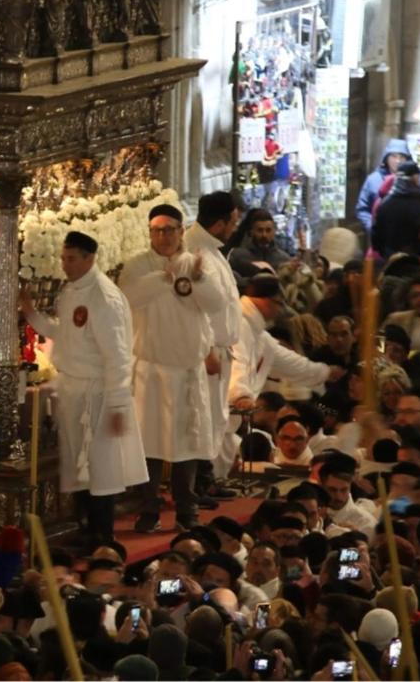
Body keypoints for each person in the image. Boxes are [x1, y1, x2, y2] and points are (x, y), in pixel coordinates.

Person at [20, 230, 148, 543]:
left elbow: (118, 356)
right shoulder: (72, 290)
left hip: (100, 391)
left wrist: (118, 404)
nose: (65, 265)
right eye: (63, 258)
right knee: (80, 465)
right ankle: (84, 528)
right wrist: (31, 313)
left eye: (71, 259)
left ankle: (102, 537)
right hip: (75, 388)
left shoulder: (103, 296)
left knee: (100, 469)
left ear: (90, 258)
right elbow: (64, 333)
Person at [119, 205, 225, 533]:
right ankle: (149, 508)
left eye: (170, 229)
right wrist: (163, 279)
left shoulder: (198, 262)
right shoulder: (136, 266)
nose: (164, 236)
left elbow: (216, 303)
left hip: (187, 370)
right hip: (150, 368)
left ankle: (186, 509)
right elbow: (127, 300)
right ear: (150, 233)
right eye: (157, 230)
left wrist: (197, 279)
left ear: (181, 231)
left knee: (186, 444)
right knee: (149, 445)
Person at [184, 192, 244, 488]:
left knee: (214, 416)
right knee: (203, 417)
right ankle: (200, 483)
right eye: (233, 221)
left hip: (219, 348)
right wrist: (207, 348)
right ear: (220, 223)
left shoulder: (213, 249)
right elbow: (197, 309)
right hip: (206, 351)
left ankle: (206, 480)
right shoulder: (196, 252)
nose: (235, 226)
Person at [229, 275, 341, 418]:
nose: (280, 310)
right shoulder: (238, 324)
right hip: (222, 409)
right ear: (267, 301)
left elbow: (292, 364)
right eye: (279, 303)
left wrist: (325, 372)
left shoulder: (260, 336)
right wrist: (240, 395)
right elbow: (236, 361)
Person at [356, 138, 420, 233]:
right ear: (386, 158)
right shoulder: (373, 180)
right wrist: (373, 226)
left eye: (402, 157)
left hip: (411, 237)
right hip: (382, 236)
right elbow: (362, 208)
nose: (398, 161)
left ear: (407, 159)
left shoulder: (418, 179)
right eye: (394, 156)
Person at [372, 162, 420, 258]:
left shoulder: (385, 201)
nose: (419, 179)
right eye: (418, 175)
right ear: (413, 177)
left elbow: (376, 230)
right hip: (412, 256)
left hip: (387, 254)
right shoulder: (417, 202)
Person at [227, 209, 291, 279]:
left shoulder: (284, 259)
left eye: (268, 230)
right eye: (260, 230)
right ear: (252, 232)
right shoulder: (237, 256)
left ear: (274, 231)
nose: (264, 235)